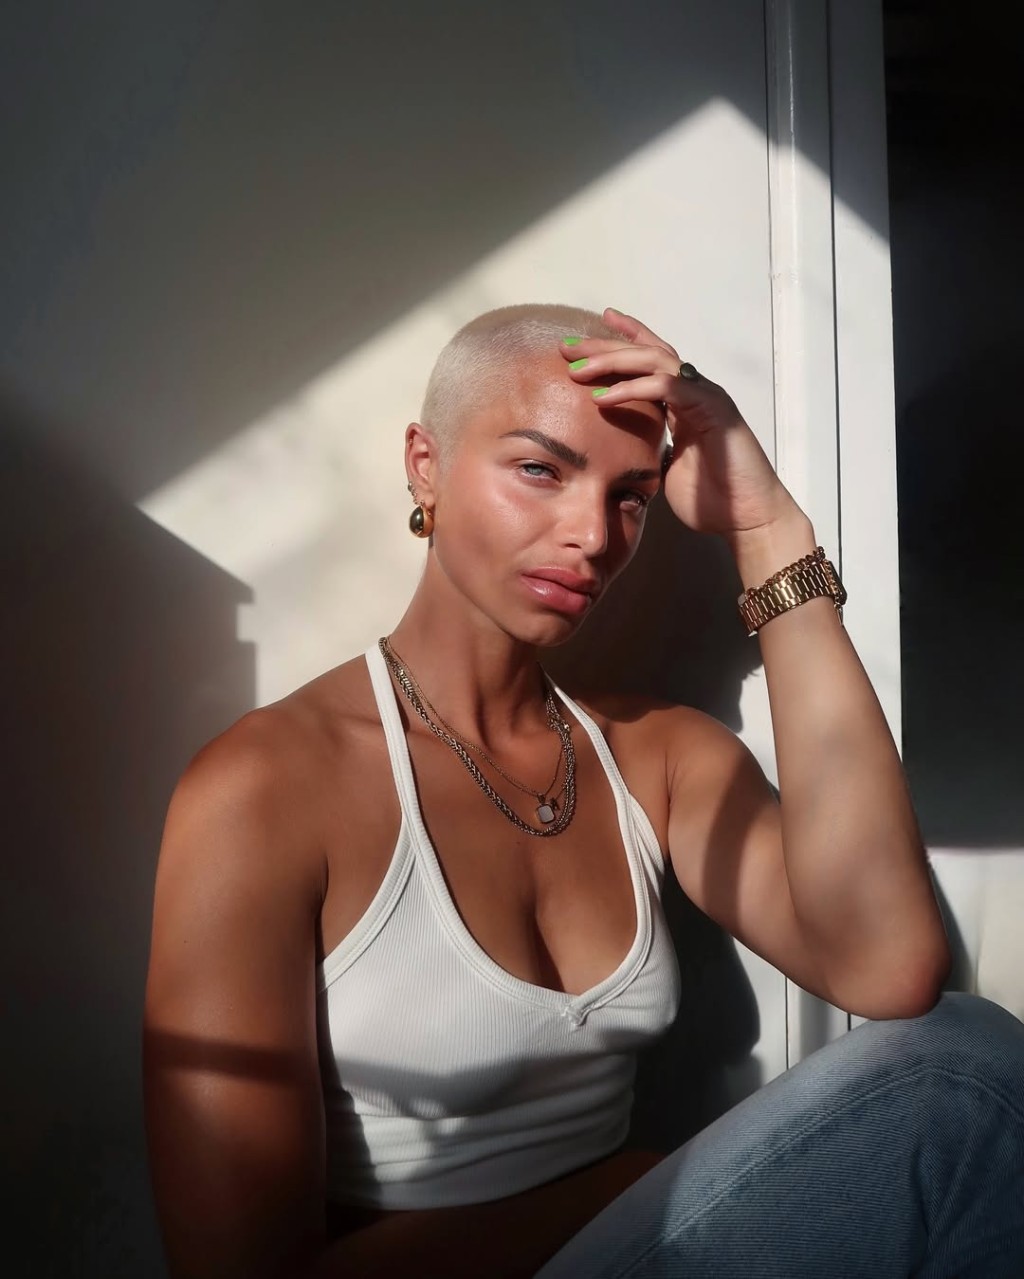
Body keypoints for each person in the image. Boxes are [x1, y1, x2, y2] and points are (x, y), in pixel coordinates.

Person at [143, 304, 1024, 1278]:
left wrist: (768, 528)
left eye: (631, 497)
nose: (593, 535)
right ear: (426, 465)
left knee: (956, 1054)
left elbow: (886, 967)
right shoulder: (266, 787)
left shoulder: (657, 759)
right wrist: (624, 1185)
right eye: (539, 469)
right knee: (962, 1082)